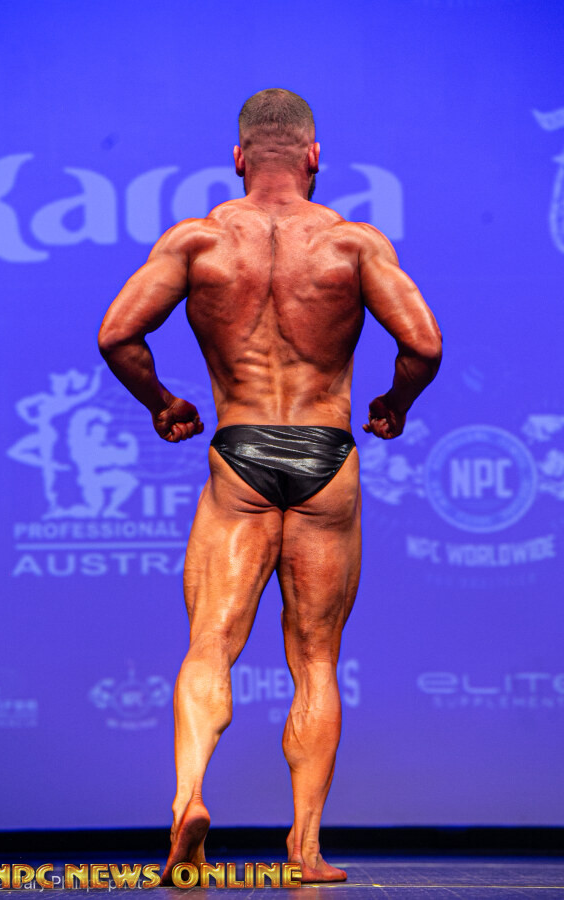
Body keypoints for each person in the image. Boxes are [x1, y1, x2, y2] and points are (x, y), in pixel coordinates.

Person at [98, 88, 442, 883]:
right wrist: (394, 404)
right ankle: (306, 848)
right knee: (316, 659)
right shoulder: (353, 244)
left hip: (241, 451)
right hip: (326, 454)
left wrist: (163, 404)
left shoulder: (199, 241)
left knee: (211, 643)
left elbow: (118, 334)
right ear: (315, 157)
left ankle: (189, 800)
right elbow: (424, 344)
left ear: (239, 158)